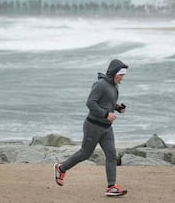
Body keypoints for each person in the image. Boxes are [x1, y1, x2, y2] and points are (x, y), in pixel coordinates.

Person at [54, 59, 129, 197]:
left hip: (107, 128)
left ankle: (111, 187)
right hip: (93, 126)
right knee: (85, 154)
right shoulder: (99, 85)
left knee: (111, 155)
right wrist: (106, 114)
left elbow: (106, 102)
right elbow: (90, 103)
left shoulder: (115, 86)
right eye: (121, 74)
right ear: (114, 73)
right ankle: (61, 168)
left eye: (123, 75)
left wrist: (117, 108)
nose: (122, 77)